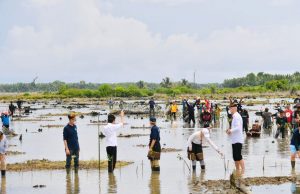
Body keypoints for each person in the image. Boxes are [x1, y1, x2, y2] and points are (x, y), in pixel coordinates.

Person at [226, 103, 245, 171]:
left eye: (230, 108)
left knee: (238, 156)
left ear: (234, 108)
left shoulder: (237, 116)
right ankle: (237, 170)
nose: (229, 110)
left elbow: (238, 127)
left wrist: (230, 130)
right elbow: (235, 128)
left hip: (238, 139)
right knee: (235, 157)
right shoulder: (234, 116)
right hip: (234, 139)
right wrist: (229, 131)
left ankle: (243, 171)